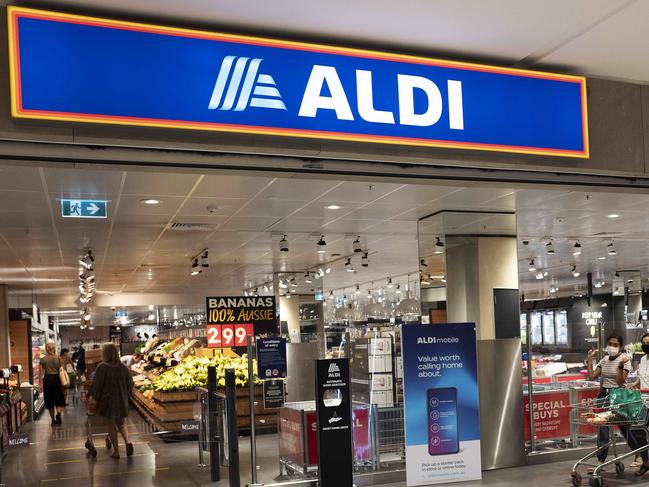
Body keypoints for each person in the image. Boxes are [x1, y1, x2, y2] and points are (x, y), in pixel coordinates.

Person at [587, 333, 649, 476]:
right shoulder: (604, 360)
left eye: (616, 345)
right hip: (605, 395)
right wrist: (590, 360)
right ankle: (601, 461)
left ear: (620, 347)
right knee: (603, 426)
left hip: (619, 396)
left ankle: (640, 456)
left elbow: (620, 382)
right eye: (610, 344)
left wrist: (620, 366)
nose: (612, 347)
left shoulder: (624, 360)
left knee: (628, 429)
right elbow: (591, 376)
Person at [88, 343, 134, 459]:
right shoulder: (123, 367)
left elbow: (97, 385)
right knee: (122, 424)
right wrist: (127, 395)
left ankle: (117, 452)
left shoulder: (102, 367)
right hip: (122, 399)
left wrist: (94, 399)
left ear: (105, 353)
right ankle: (128, 442)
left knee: (111, 425)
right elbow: (130, 383)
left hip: (108, 401)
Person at [39, 342, 66, 426]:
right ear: (54, 349)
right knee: (58, 399)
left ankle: (53, 420)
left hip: (47, 380)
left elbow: (41, 373)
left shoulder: (43, 359)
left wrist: (40, 385)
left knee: (49, 401)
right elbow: (62, 371)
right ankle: (58, 414)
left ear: (46, 349)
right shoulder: (58, 358)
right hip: (57, 379)